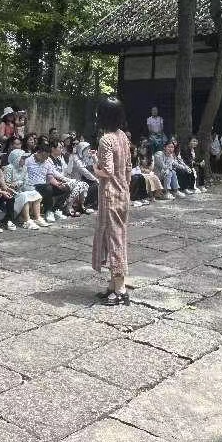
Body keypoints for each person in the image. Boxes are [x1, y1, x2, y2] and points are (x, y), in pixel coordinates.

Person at [92, 97, 132, 307]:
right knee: (115, 239)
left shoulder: (106, 139)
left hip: (110, 196)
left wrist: (94, 167)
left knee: (114, 241)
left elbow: (107, 171)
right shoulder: (122, 136)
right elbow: (128, 167)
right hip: (123, 193)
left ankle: (120, 290)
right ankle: (112, 285)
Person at [25, 142, 71, 223]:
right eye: (45, 156)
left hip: (44, 185)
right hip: (32, 185)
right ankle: (48, 211)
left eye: (47, 156)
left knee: (66, 188)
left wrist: (57, 184)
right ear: (40, 152)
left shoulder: (47, 162)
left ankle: (54, 210)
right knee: (48, 188)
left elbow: (50, 177)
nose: (46, 159)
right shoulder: (28, 160)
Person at [3, 149, 46, 229]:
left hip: (21, 190)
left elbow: (26, 182)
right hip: (12, 193)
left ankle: (37, 218)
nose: (24, 160)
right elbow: (5, 184)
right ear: (16, 158)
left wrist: (29, 187)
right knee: (24, 196)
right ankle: (27, 220)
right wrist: (16, 184)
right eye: (22, 158)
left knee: (36, 193)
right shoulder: (9, 168)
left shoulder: (24, 168)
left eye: (25, 158)